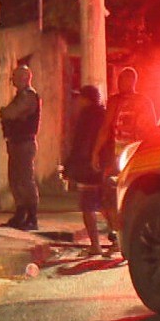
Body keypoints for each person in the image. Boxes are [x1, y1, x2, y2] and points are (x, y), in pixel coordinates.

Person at [96, 67, 158, 235]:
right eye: (120, 79)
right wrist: (96, 152)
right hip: (116, 156)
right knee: (109, 193)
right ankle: (116, 231)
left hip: (136, 156)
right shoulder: (114, 101)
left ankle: (133, 230)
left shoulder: (143, 102)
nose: (121, 83)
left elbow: (151, 129)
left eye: (126, 80)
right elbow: (105, 128)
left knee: (134, 194)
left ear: (133, 82)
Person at [62, 85, 109, 255]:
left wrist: (70, 165)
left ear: (85, 98)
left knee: (87, 206)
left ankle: (95, 245)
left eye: (80, 98)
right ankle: (116, 240)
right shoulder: (104, 114)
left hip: (88, 167)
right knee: (104, 204)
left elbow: (81, 143)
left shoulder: (86, 116)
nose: (77, 102)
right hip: (101, 165)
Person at [0, 65, 42, 230]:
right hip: (17, 142)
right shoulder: (21, 96)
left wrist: (6, 111)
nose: (13, 80)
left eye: (16, 76)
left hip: (24, 142)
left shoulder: (29, 96)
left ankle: (31, 216)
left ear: (25, 78)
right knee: (16, 178)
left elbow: (10, 113)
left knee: (24, 179)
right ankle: (21, 213)